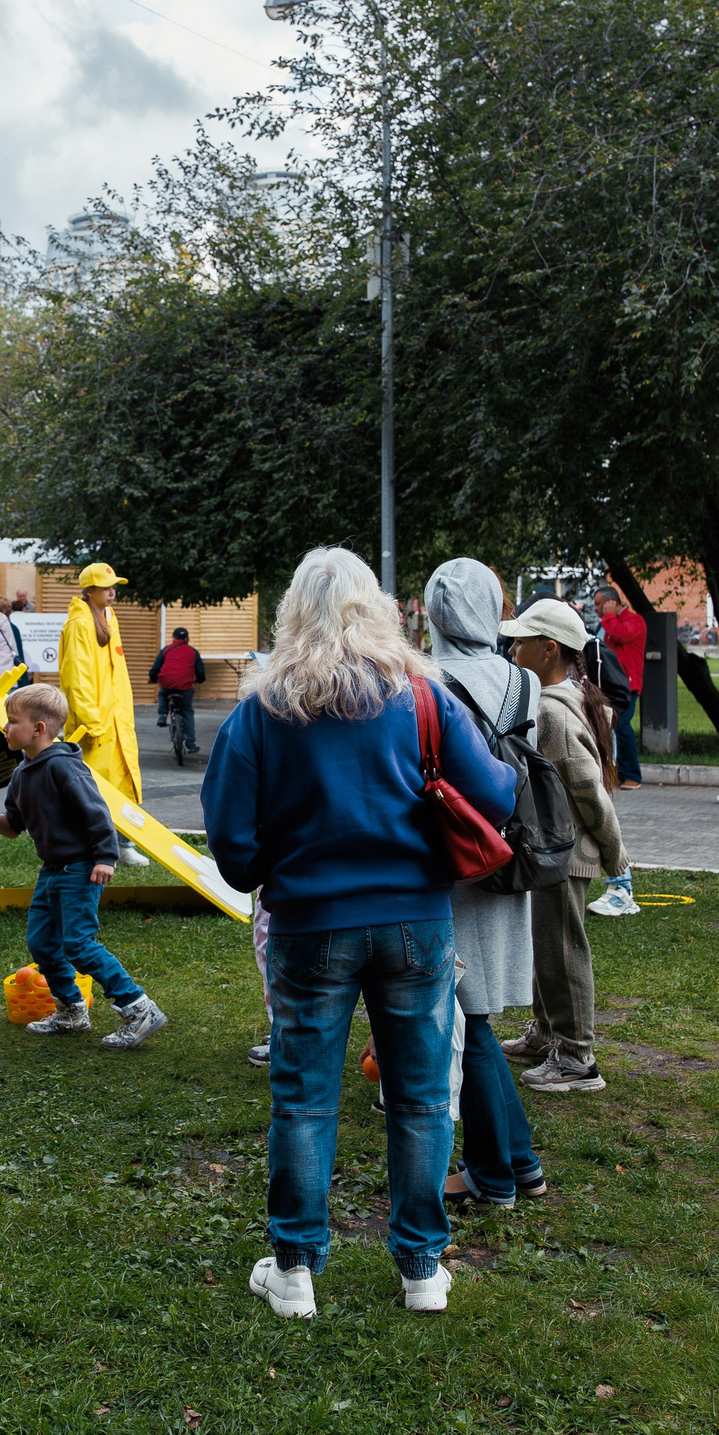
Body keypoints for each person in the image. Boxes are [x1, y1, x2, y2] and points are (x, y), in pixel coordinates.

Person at [202, 547, 517, 1319]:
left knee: (303, 1099)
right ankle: (421, 1270)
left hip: (310, 926)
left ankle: (295, 1270)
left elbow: (234, 853)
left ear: (291, 615)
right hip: (416, 923)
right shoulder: (422, 697)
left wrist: (288, 855)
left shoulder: (263, 711)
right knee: (418, 1099)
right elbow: (497, 794)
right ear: (378, 608)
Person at [425, 560, 549, 1208]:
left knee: (465, 1020)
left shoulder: (426, 679)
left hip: (449, 858)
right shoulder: (525, 680)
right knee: (473, 1018)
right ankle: (519, 1165)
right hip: (508, 854)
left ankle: (493, 1178)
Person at [0, 683, 168, 1048]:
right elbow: (11, 828)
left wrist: (106, 856)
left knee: (79, 945)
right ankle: (71, 1010)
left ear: (38, 729)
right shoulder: (21, 775)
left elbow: (96, 812)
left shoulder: (64, 768)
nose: (5, 729)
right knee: (41, 942)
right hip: (52, 870)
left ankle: (138, 1007)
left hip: (81, 868)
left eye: (12, 722)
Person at [498, 597, 628, 1093]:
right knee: (544, 945)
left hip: (564, 855)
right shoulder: (563, 698)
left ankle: (576, 1057)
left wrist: (616, 855)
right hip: (551, 851)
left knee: (563, 950)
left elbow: (587, 790)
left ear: (549, 649)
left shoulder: (552, 712)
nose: (511, 648)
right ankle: (547, 1032)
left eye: (521, 641)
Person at [60, 562, 147, 866]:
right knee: (93, 789)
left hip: (116, 719)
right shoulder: (79, 624)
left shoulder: (109, 617)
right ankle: (92, 849)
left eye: (114, 587)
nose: (112, 593)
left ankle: (122, 845)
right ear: (90, 590)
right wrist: (91, 720)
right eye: (106, 588)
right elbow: (75, 677)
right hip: (96, 723)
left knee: (121, 782)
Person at [594, 585, 646, 788]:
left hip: (629, 685)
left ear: (611, 603)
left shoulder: (634, 621)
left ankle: (632, 774)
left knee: (622, 725)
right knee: (612, 726)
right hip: (614, 683)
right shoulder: (611, 622)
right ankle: (621, 772)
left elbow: (619, 635)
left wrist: (608, 617)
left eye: (599, 604)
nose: (596, 608)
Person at [149, 627, 204, 761]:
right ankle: (190, 743)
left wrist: (152, 677)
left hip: (167, 684)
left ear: (173, 638)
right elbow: (200, 671)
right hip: (184, 687)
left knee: (162, 693)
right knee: (187, 712)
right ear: (187, 639)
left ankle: (162, 715)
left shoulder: (166, 650)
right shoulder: (193, 651)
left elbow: (156, 667)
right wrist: (200, 680)